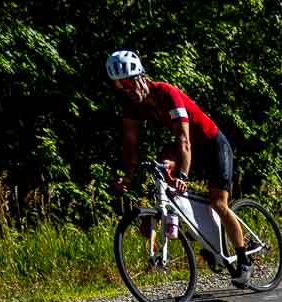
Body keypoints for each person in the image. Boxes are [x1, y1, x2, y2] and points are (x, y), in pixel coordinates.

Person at [106, 50, 250, 287]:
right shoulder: (130, 105)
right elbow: (130, 143)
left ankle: (243, 260)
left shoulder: (166, 93)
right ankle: (194, 234)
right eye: (120, 86)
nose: (127, 89)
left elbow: (184, 140)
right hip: (181, 146)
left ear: (141, 76)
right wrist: (128, 176)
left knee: (218, 203)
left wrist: (182, 174)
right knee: (159, 181)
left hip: (210, 143)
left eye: (129, 82)